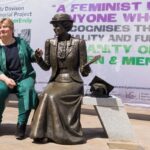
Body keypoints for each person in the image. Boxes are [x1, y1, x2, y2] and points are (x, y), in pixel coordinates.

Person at [30, 13, 91, 144]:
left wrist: (86, 69)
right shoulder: (49, 42)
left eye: (58, 25)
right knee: (44, 95)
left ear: (67, 25)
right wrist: (38, 58)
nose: (55, 28)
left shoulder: (79, 43)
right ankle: (41, 133)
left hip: (72, 81)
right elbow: (46, 67)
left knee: (52, 97)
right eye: (54, 25)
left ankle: (59, 134)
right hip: (56, 80)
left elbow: (83, 71)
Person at [0, 18, 38, 140]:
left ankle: (21, 125)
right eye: (0, 27)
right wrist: (6, 79)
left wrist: (36, 55)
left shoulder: (21, 42)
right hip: (3, 78)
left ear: (12, 29)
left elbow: (32, 56)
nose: (1, 29)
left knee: (28, 90)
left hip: (24, 76)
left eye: (5, 26)